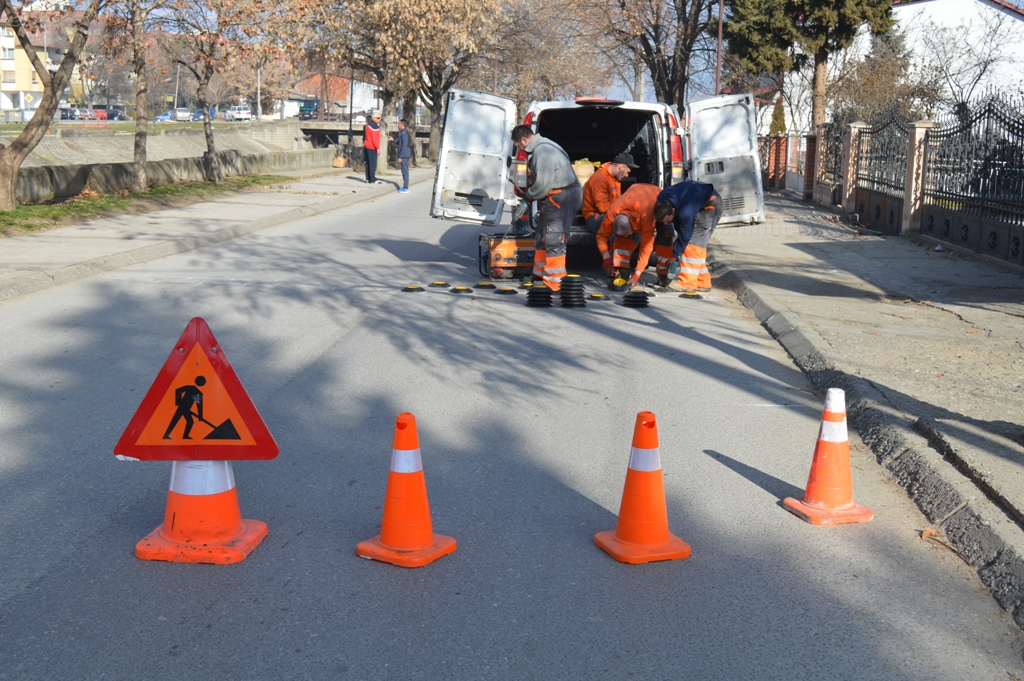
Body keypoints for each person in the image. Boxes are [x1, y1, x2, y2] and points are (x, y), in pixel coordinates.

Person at [511, 125, 583, 292]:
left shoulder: (543, 150)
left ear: (523, 139)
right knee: (542, 236)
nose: (519, 149)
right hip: (555, 196)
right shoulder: (542, 147)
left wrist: (527, 200)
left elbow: (543, 184)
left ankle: (554, 281)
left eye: (517, 145)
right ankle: (539, 274)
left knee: (553, 237)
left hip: (562, 197)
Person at [653, 180, 722, 292]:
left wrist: (674, 255)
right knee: (696, 245)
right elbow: (678, 224)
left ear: (673, 211)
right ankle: (702, 281)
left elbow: (685, 236)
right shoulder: (662, 197)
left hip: (710, 206)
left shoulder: (686, 212)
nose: (666, 223)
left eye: (668, 220)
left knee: (692, 244)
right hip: (695, 199)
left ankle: (687, 283)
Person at [595, 183, 661, 287]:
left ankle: (664, 275)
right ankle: (622, 269)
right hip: (635, 193)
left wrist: (637, 274)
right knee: (621, 239)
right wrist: (606, 257)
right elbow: (601, 236)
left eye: (627, 234)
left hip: (655, 196)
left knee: (665, 235)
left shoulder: (646, 218)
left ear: (633, 228)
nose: (626, 237)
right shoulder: (613, 212)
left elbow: (646, 247)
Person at [581, 153, 637, 234]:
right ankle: (614, 246)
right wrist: (624, 210)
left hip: (610, 213)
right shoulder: (599, 178)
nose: (627, 176)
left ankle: (630, 246)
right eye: (627, 172)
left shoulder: (616, 177)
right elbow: (603, 207)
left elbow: (617, 201)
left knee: (635, 220)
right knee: (621, 222)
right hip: (595, 217)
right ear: (620, 167)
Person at [162, 376, 206, 440]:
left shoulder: (198, 393)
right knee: (175, 421)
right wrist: (178, 402)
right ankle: (167, 436)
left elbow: (199, 405)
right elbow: (178, 390)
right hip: (182, 407)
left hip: (186, 409)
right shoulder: (191, 388)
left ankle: (184, 436)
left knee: (188, 422)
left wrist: (200, 416)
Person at [389, 119, 412, 193]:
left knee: (405, 171)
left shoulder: (404, 133)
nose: (398, 125)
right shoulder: (402, 133)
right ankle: (405, 187)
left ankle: (406, 188)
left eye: (399, 123)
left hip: (404, 155)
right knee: (403, 171)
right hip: (403, 155)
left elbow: (404, 146)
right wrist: (393, 140)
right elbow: (399, 143)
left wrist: (400, 156)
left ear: (402, 125)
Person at [363, 112, 382, 184]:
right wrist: (377, 148)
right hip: (372, 147)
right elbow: (375, 139)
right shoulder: (374, 127)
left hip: (367, 146)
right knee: (372, 163)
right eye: (378, 118)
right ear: (374, 118)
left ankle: (368, 178)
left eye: (380, 118)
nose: (379, 119)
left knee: (368, 163)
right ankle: (372, 178)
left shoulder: (368, 125)